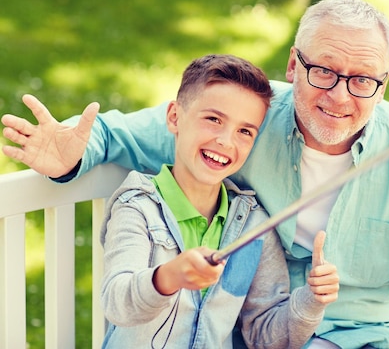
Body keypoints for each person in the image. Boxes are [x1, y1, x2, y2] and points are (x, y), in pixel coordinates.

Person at [1, 0, 389, 349]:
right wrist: (69, 157)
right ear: (294, 63)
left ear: (385, 82)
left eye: (364, 80)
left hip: (373, 338)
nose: (341, 97)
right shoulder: (247, 119)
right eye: (323, 72)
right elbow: (124, 135)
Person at [97, 54, 339, 348]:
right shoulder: (138, 207)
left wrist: (310, 302)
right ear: (175, 117)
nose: (226, 141)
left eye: (244, 131)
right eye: (213, 119)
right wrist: (168, 277)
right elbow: (118, 302)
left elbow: (265, 337)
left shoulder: (253, 226)